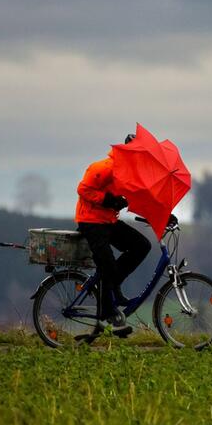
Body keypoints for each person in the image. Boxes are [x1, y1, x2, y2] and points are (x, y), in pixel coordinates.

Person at [75, 133, 151, 337]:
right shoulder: (104, 168)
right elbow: (83, 189)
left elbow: (142, 198)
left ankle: (112, 285)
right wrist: (108, 200)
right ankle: (108, 314)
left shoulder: (129, 174)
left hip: (108, 221)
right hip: (90, 221)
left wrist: (166, 216)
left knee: (141, 246)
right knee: (107, 264)